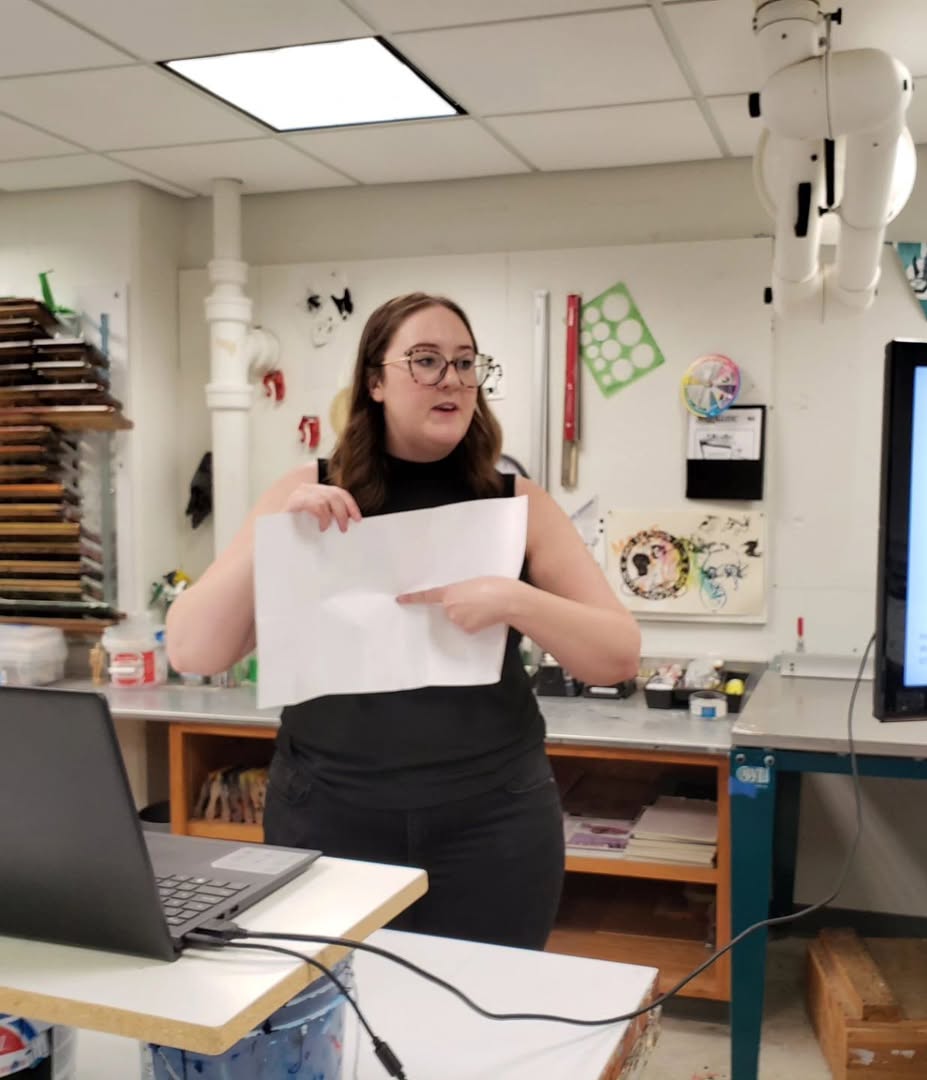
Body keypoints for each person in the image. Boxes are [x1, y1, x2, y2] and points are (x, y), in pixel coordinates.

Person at [166, 292, 641, 950]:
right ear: (375, 381)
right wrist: (277, 537)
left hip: (492, 821)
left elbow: (618, 655)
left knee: (485, 1003)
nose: (451, 379)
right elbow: (192, 650)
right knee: (334, 1002)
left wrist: (513, 600)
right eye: (425, 360)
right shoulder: (307, 493)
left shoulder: (515, 504)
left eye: (466, 363)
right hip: (329, 813)